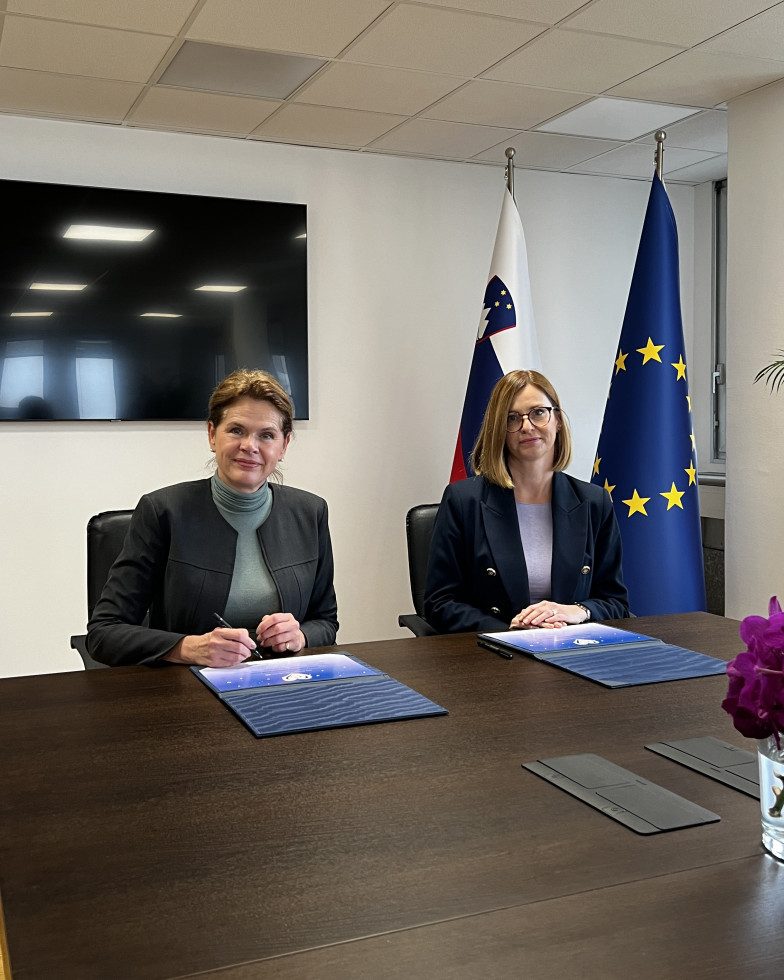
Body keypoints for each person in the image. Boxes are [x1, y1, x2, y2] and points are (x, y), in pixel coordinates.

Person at [88, 369, 338, 667]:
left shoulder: (311, 512)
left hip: (281, 683)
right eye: (236, 430)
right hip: (188, 688)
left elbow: (326, 621)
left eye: (266, 435)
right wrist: (186, 647)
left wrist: (300, 636)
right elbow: (104, 633)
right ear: (212, 435)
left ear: (283, 446)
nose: (250, 446)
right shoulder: (162, 511)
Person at [424, 369, 629, 634]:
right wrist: (508, 631)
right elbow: (440, 603)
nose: (527, 426)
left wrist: (576, 611)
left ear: (557, 421)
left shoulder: (593, 502)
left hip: (572, 649)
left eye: (538, 413)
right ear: (499, 430)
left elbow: (615, 602)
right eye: (512, 418)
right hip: (493, 653)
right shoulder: (463, 501)